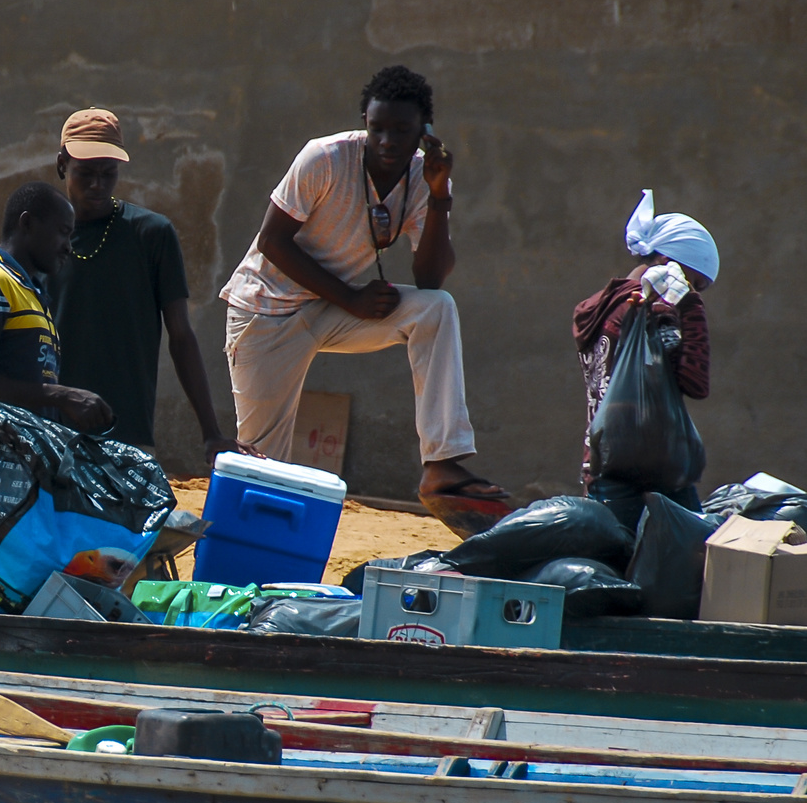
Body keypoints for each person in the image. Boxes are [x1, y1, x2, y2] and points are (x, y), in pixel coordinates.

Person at [219, 65, 507, 502]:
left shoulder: (421, 177)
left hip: (332, 309)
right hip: (267, 313)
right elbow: (272, 242)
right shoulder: (324, 158)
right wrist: (351, 297)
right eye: (377, 128)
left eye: (401, 130)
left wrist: (440, 193)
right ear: (365, 125)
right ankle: (246, 559)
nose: (388, 140)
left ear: (425, 132)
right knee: (262, 466)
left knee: (437, 308)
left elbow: (428, 279)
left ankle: (441, 464)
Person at [51, 108, 250, 461]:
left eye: (108, 174)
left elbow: (181, 335)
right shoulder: (40, 235)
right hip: (48, 428)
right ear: (62, 165)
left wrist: (211, 433)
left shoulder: (151, 234)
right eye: (85, 173)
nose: (98, 184)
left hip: (123, 430)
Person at [574, 190, 716, 527]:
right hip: (650, 472)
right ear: (671, 267)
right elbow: (695, 383)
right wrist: (691, 308)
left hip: (602, 462)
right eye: (693, 282)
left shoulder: (599, 307)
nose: (692, 291)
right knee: (681, 563)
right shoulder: (651, 312)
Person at [0, 181, 113, 433]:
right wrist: (60, 395)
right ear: (27, 223)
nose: (68, 246)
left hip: (24, 458)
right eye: (62, 232)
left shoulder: (31, 293)